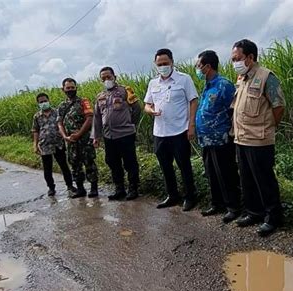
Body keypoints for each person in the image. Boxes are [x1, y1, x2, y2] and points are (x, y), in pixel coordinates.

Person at [231, 39, 285, 237]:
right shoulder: (242, 78)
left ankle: (273, 217)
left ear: (250, 57)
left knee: (264, 179)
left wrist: (269, 125)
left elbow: (278, 106)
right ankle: (253, 212)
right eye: (233, 59)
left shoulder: (266, 77)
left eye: (237, 58)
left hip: (260, 140)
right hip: (241, 138)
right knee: (246, 178)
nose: (234, 62)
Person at [144, 48, 199, 212]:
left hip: (179, 131)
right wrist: (150, 111)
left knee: (184, 165)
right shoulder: (153, 83)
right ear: (155, 65)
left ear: (172, 62)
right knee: (165, 166)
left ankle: (190, 196)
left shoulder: (184, 79)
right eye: (159, 64)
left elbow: (193, 101)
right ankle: (172, 195)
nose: (163, 66)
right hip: (160, 132)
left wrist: (191, 125)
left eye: (165, 63)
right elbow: (147, 104)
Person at [194, 50, 241, 223]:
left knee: (226, 172)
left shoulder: (224, 85)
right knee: (211, 172)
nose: (197, 69)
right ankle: (217, 203)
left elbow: (233, 110)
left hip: (221, 138)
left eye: (199, 66)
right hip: (206, 139)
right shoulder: (207, 85)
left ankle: (233, 206)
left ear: (208, 66)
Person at [92, 67, 142, 200]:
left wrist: (130, 123)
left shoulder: (125, 91)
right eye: (103, 78)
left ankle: (133, 188)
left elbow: (136, 108)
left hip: (125, 134)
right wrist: (96, 136)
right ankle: (119, 189)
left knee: (130, 162)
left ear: (115, 77)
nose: (106, 80)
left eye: (108, 77)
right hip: (109, 136)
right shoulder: (100, 96)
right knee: (112, 162)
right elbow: (97, 117)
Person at [57, 78, 99, 198]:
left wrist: (79, 134)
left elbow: (89, 118)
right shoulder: (62, 106)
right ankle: (80, 189)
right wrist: (65, 136)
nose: (70, 90)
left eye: (72, 88)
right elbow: (59, 123)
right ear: (63, 89)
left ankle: (94, 188)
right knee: (75, 165)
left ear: (76, 88)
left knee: (89, 163)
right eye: (67, 88)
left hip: (84, 140)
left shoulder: (83, 102)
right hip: (70, 142)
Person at [32, 92, 76, 197]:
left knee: (64, 166)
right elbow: (35, 130)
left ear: (49, 100)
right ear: (38, 103)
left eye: (45, 101)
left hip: (58, 143)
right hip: (45, 145)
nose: (44, 103)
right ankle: (51, 188)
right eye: (41, 102)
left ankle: (70, 185)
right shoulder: (37, 116)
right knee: (47, 168)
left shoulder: (57, 112)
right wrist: (35, 144)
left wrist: (66, 137)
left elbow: (62, 125)